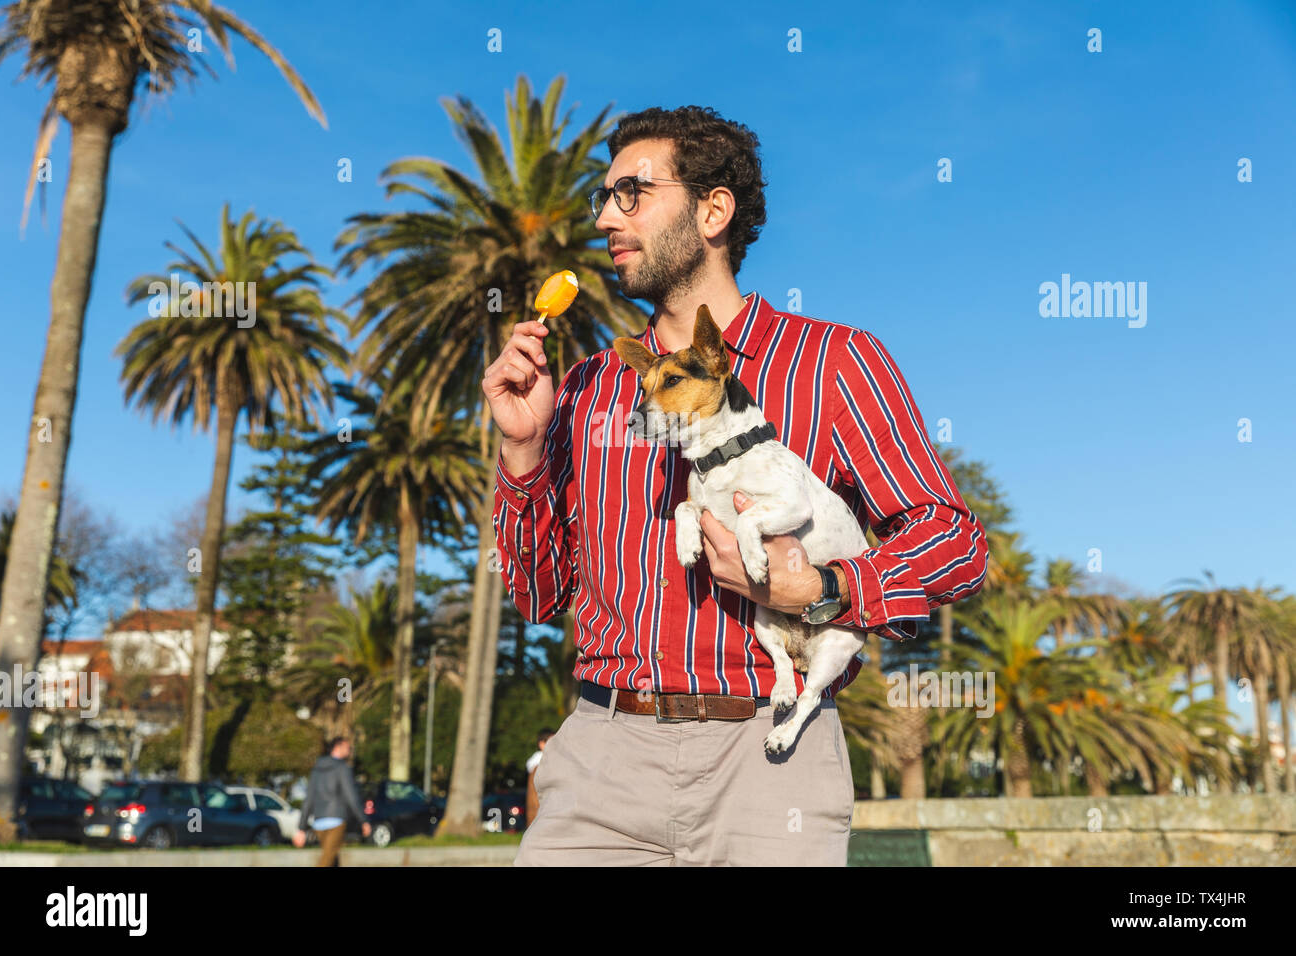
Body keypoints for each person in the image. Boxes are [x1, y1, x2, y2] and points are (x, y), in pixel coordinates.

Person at [482, 106, 989, 866]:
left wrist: (821, 587)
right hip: (600, 762)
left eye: (632, 193)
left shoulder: (836, 363)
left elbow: (956, 545)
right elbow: (537, 596)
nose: (607, 221)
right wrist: (522, 453)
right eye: (604, 199)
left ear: (713, 210)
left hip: (771, 758)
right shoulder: (584, 389)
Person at [293, 736, 371, 866]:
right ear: (337, 747)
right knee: (327, 860)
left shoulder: (316, 769)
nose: (350, 750)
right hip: (337, 821)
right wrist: (363, 820)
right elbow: (351, 796)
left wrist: (302, 828)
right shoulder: (343, 768)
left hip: (318, 823)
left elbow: (309, 799)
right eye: (348, 747)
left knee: (332, 858)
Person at [525, 729, 556, 825]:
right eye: (553, 742)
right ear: (542, 744)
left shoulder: (542, 764)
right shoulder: (539, 766)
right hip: (542, 817)